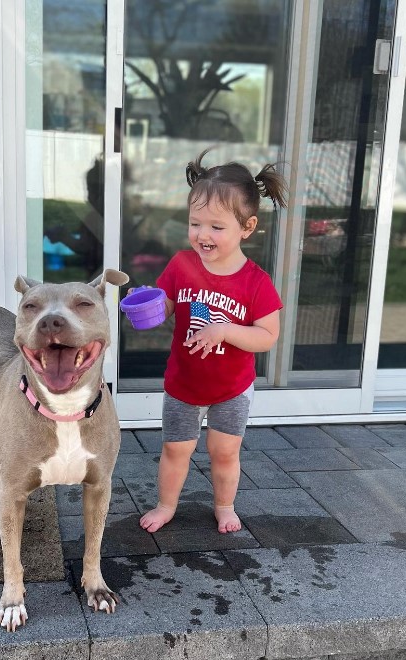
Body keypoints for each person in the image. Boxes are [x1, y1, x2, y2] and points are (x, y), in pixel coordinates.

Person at [135, 149, 288, 534]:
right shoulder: (181, 265)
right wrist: (150, 305)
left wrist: (225, 331)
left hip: (231, 389)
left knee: (224, 452)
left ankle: (224, 505)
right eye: (195, 223)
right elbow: (167, 306)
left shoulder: (256, 283)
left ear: (247, 227)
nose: (204, 234)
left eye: (217, 227)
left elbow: (268, 336)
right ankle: (166, 505)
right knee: (175, 449)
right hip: (184, 384)